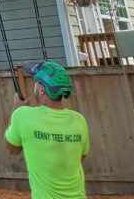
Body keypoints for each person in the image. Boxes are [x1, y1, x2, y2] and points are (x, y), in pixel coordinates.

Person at [5, 61, 89, 199]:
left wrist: (16, 108)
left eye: (36, 83)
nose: (34, 86)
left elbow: (12, 149)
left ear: (42, 89)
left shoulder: (23, 115)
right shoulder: (79, 120)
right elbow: (80, 157)